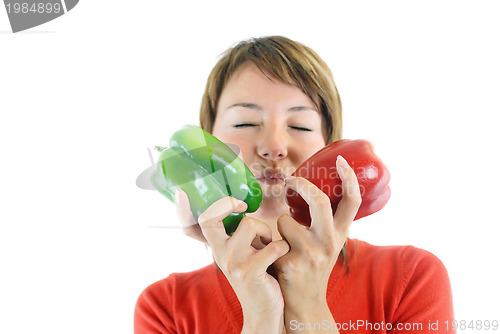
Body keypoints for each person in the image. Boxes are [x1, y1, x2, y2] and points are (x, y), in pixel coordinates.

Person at [134, 36, 455, 334]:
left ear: (330, 146)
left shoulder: (410, 277)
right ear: (205, 142)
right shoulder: (165, 308)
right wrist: (260, 317)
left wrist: (308, 303)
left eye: (300, 125)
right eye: (244, 123)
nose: (274, 146)